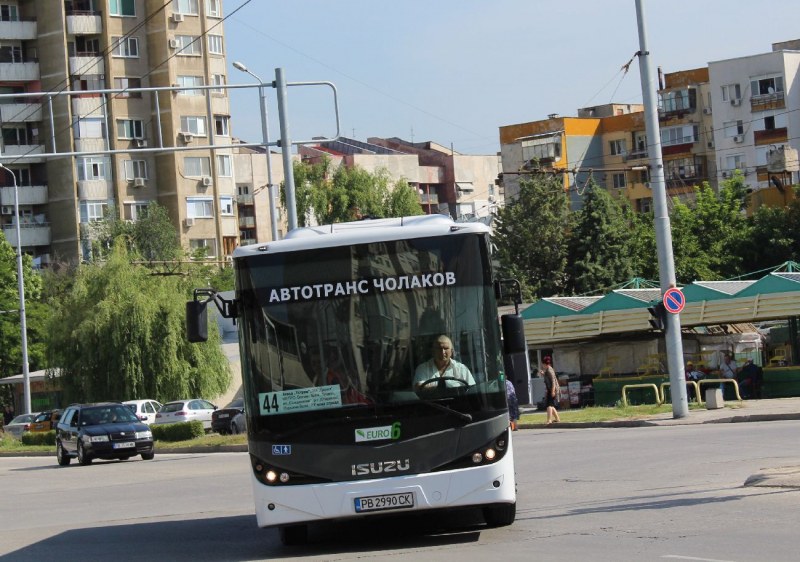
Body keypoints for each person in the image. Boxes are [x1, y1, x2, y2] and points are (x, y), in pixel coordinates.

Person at [540, 356, 561, 425]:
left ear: (545, 364)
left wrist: (553, 391)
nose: (542, 365)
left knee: (549, 405)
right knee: (551, 405)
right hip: (550, 389)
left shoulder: (549, 370)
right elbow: (547, 377)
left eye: (542, 364)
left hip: (552, 389)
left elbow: (553, 381)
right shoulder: (547, 370)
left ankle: (549, 420)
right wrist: (543, 374)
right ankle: (557, 419)